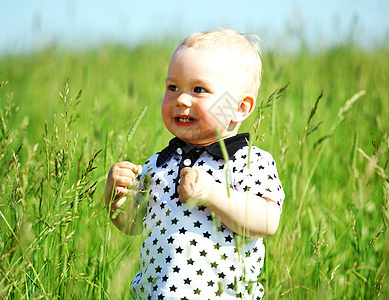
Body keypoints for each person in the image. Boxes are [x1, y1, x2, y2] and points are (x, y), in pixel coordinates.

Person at [105, 29, 285, 299]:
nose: (182, 99)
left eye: (199, 90)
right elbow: (134, 224)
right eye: (172, 87)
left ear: (240, 108)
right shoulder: (159, 163)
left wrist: (212, 194)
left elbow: (267, 221)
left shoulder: (249, 161)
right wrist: (115, 198)